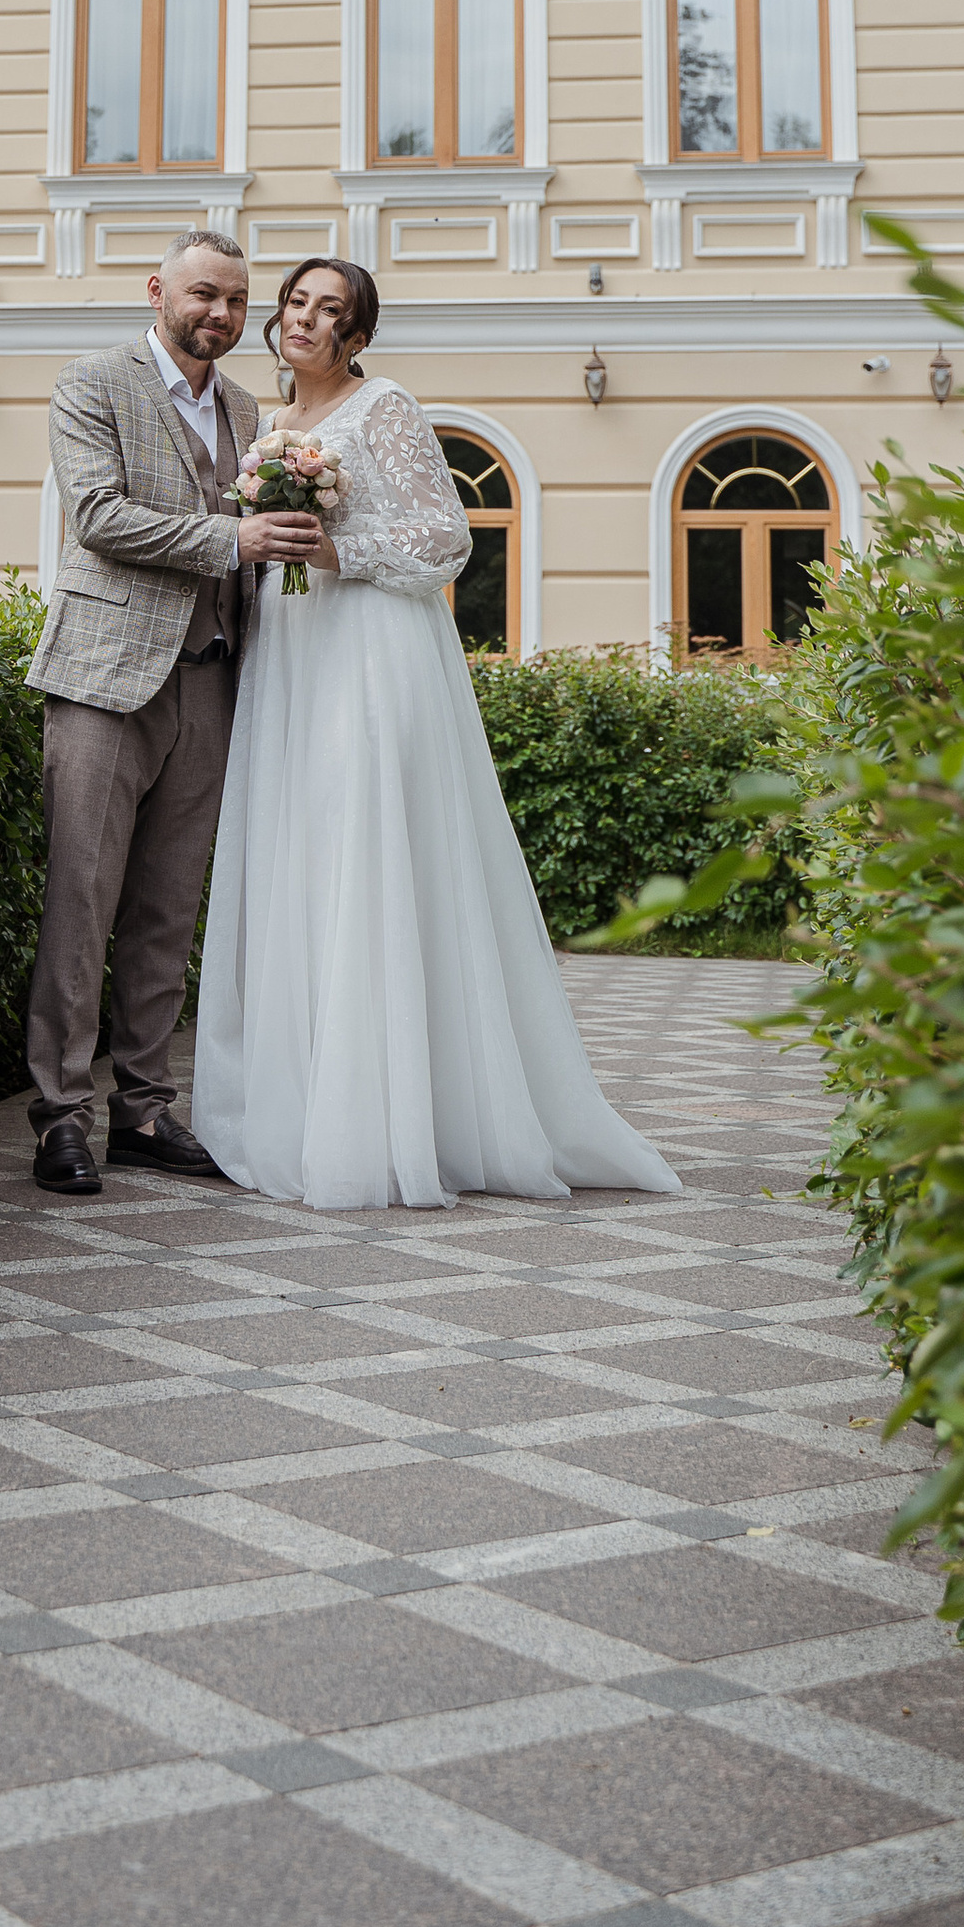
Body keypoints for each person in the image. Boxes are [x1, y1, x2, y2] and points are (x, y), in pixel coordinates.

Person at [193, 254, 681, 1212]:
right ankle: (308, 1093)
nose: (306, 319)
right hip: (290, 653)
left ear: (357, 337)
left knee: (367, 853)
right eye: (296, 303)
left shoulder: (388, 411)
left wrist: (340, 550)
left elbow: (447, 539)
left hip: (370, 654)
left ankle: (401, 1113)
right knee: (300, 858)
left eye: (330, 310)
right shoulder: (262, 424)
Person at [22, 230, 326, 1196]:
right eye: (204, 296)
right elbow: (100, 517)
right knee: (82, 902)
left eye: (237, 302)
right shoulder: (93, 383)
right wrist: (234, 536)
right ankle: (60, 1119)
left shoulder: (249, 408)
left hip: (216, 680)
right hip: (107, 680)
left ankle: (145, 1109)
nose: (221, 317)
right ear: (158, 291)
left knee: (166, 913)